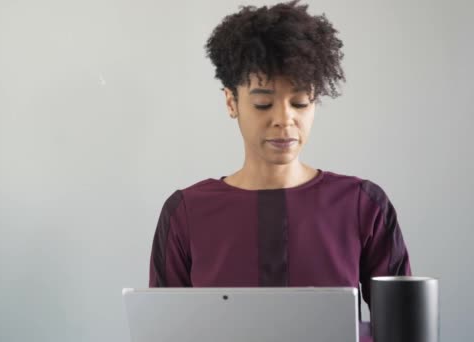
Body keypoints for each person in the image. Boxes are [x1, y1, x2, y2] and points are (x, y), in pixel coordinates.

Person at [149, 1, 411, 340]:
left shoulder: (362, 204)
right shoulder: (186, 212)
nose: (284, 119)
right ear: (231, 102)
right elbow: (163, 331)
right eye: (262, 104)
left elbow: (404, 329)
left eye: (300, 102)